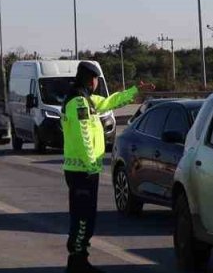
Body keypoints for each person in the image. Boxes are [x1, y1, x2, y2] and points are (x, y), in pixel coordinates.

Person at [61, 61, 142, 273]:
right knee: (82, 218)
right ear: (91, 80)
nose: (97, 83)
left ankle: (79, 260)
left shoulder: (86, 99)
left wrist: (134, 91)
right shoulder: (79, 102)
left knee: (87, 217)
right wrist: (90, 166)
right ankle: (76, 262)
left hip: (86, 171)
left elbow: (109, 102)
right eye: (96, 79)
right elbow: (83, 137)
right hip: (82, 172)